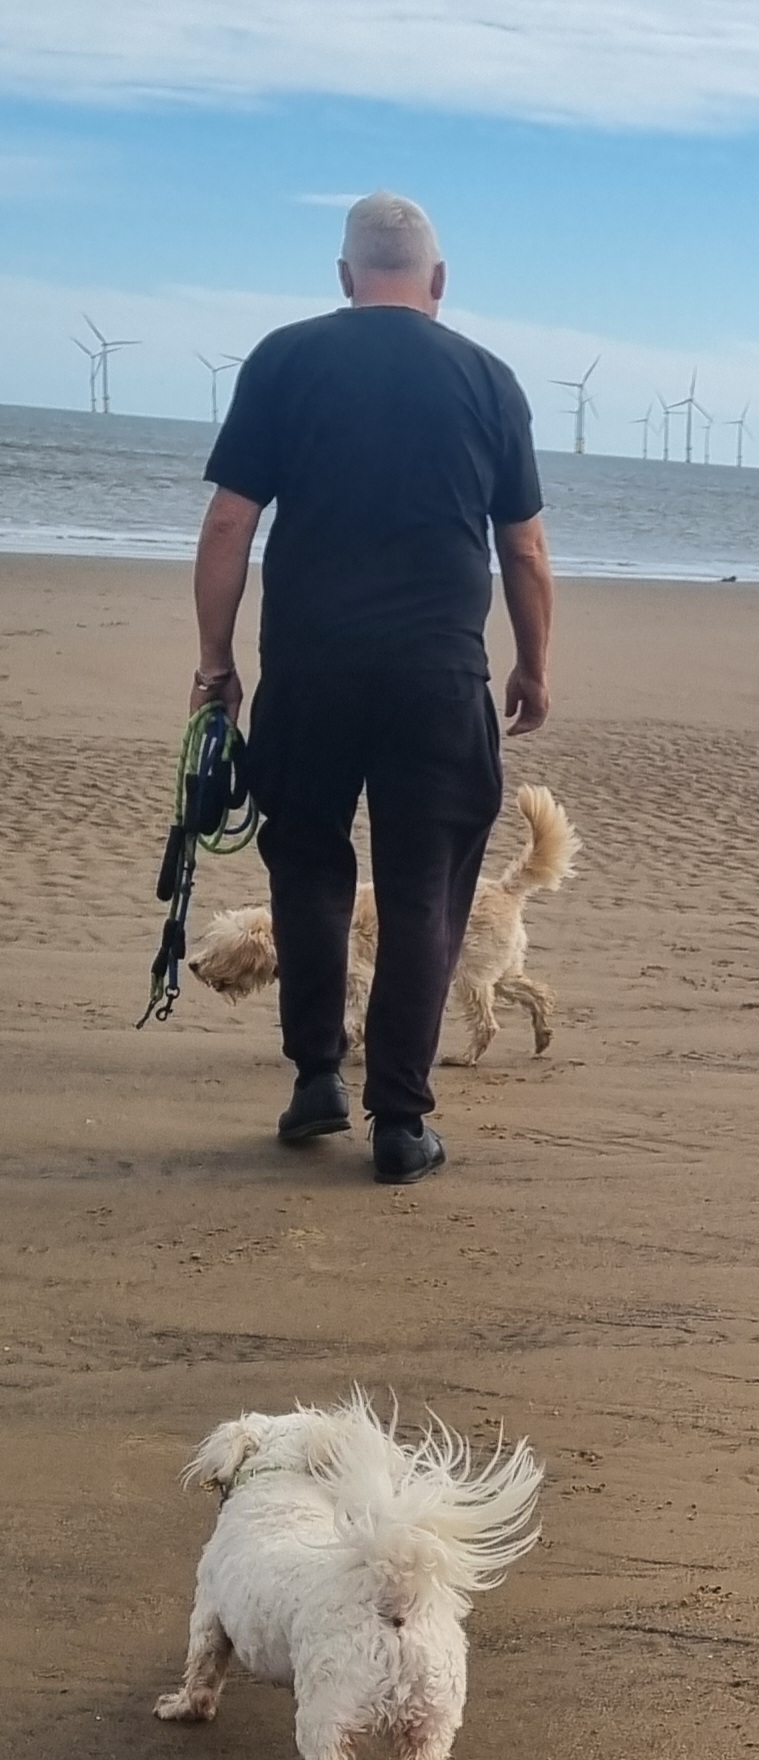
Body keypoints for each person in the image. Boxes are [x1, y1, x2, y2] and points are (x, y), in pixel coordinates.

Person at [189, 191, 555, 1184]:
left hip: (308, 673)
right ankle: (400, 1120)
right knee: (425, 890)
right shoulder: (489, 378)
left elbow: (228, 524)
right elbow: (523, 547)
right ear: (438, 280)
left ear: (346, 276)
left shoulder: (284, 358)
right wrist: (532, 663)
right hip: (438, 677)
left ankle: (317, 1075)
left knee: (307, 869)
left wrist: (216, 664)